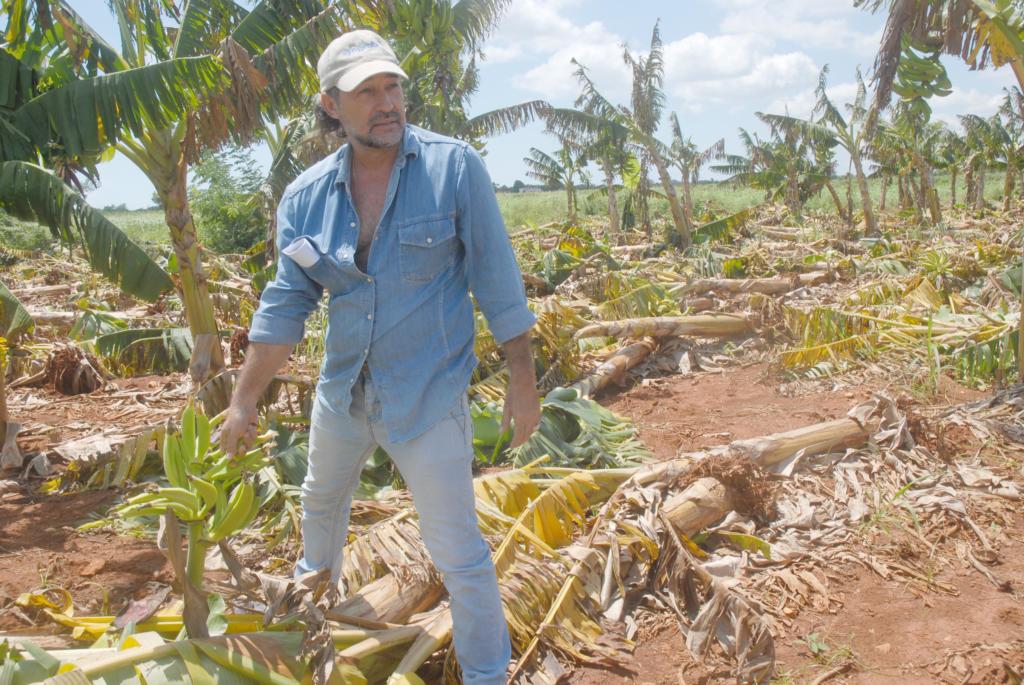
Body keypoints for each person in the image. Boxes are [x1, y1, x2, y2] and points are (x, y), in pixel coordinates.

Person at [218, 28, 540, 685]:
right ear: (332, 104)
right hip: (343, 394)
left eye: (392, 85)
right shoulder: (305, 198)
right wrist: (244, 398)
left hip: (426, 397)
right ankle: (316, 648)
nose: (387, 101)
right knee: (319, 516)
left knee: (458, 551)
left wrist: (522, 380)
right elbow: (285, 306)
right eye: (367, 91)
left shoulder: (454, 169)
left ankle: (486, 674)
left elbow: (498, 281)